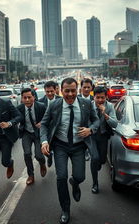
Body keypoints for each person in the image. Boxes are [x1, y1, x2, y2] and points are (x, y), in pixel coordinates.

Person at [41, 77, 100, 224]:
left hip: (79, 146)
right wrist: (44, 141)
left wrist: (90, 130)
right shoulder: (54, 105)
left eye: (73, 91)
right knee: (61, 178)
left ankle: (75, 182)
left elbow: (96, 120)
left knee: (80, 177)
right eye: (66, 91)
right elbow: (44, 124)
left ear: (77, 90)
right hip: (60, 145)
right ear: (61, 91)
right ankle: (65, 209)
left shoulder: (86, 104)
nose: (70, 94)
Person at [90, 86, 117, 194]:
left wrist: (105, 115)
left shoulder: (109, 106)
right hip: (92, 136)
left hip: (103, 136)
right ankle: (95, 183)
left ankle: (97, 165)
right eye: (98, 98)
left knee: (102, 160)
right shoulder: (89, 106)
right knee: (94, 158)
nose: (100, 100)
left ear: (106, 97)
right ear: (94, 97)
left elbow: (115, 123)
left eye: (102, 97)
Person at [17, 88, 47, 185]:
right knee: (27, 154)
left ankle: (42, 163)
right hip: (26, 132)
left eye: (29, 97)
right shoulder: (19, 108)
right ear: (21, 98)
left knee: (39, 155)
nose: (27, 100)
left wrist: (42, 123)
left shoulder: (41, 106)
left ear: (34, 97)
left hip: (38, 134)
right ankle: (31, 175)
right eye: (24, 98)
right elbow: (14, 118)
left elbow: (48, 118)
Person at [39, 80, 61, 167]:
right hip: (45, 129)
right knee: (45, 148)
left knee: (57, 149)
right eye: (47, 91)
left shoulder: (61, 100)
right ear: (45, 91)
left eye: (51, 91)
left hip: (57, 129)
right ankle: (49, 156)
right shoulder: (40, 102)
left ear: (55, 90)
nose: (50, 93)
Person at [78, 78, 94, 161]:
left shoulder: (95, 99)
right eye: (84, 87)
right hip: (80, 128)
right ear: (81, 88)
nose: (86, 89)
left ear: (91, 88)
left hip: (92, 128)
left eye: (88, 87)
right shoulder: (76, 99)